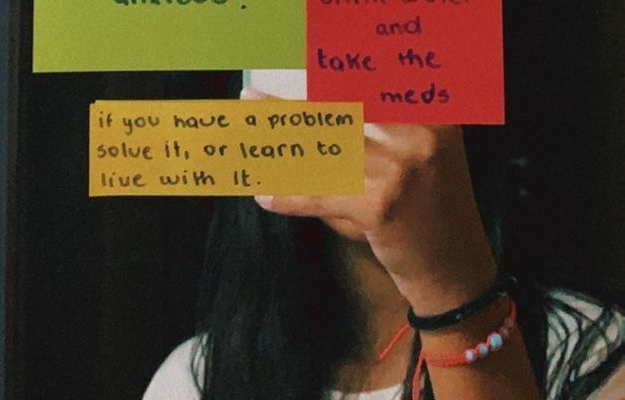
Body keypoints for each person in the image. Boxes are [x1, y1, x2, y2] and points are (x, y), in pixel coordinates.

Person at [144, 87, 624, 400]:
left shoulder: (592, 351)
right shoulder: (196, 378)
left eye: (405, 55)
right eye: (320, 63)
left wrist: (449, 290)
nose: (361, 109)